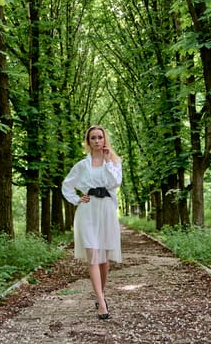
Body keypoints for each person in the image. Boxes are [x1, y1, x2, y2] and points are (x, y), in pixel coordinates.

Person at [62, 125, 122, 320]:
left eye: (100, 137)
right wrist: (77, 199)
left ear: (105, 140)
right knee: (93, 255)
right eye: (93, 138)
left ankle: (101, 294)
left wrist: (107, 161)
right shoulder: (81, 165)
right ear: (88, 142)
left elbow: (115, 183)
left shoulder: (113, 161)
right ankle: (101, 302)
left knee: (104, 260)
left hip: (106, 210)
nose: (97, 141)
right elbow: (67, 185)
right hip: (87, 212)